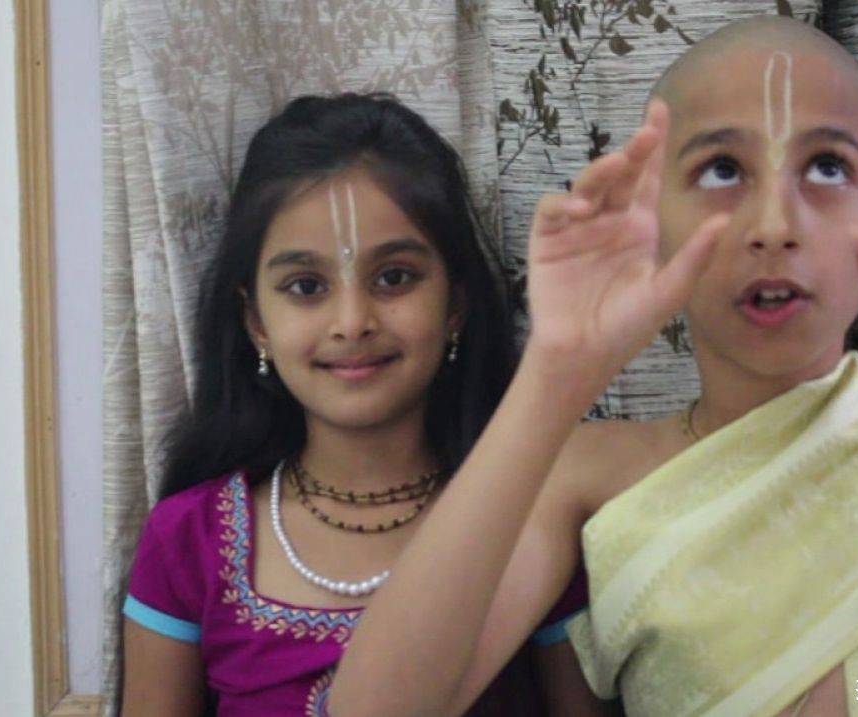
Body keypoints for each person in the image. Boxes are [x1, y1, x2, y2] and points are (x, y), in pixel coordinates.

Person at [327, 17, 858, 717]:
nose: (773, 225)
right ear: (654, 231)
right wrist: (555, 372)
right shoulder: (585, 471)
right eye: (723, 170)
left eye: (826, 168)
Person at [119, 93, 606, 716]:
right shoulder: (190, 539)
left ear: (455, 304)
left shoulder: (530, 519)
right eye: (306, 287)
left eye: (394, 277)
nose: (352, 322)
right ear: (256, 321)